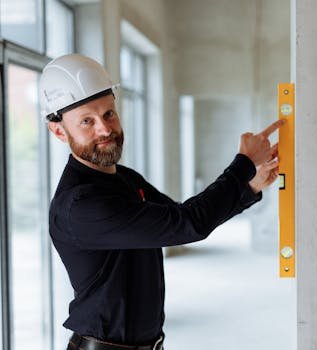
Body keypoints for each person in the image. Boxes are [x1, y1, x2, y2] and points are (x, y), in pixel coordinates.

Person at [40, 53, 284, 350]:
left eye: (108, 114)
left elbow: (178, 216)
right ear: (58, 131)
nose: (104, 129)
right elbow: (188, 224)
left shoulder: (124, 178)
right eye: (87, 122)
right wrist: (242, 164)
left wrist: (249, 186)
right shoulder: (80, 205)